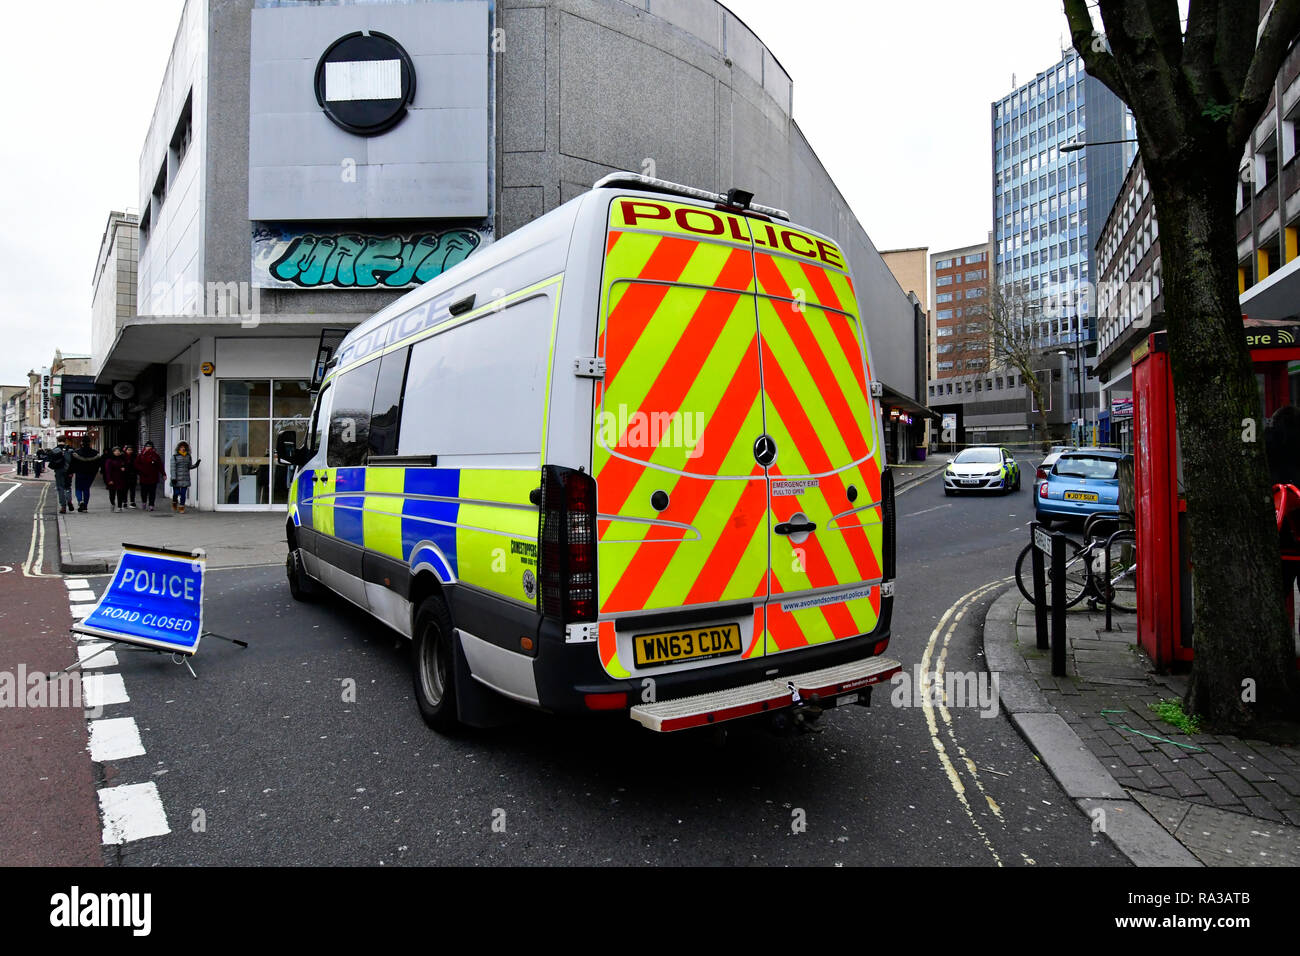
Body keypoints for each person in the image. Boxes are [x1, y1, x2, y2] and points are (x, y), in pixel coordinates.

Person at [69, 438, 103, 513]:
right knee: (86, 489)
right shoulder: (95, 453)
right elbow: (98, 464)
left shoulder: (76, 453)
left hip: (80, 473)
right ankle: (85, 507)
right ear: (89, 443)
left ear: (82, 443)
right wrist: (95, 472)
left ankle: (80, 501)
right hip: (90, 474)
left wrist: (71, 472)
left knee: (78, 488)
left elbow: (72, 464)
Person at [170, 441, 201, 513]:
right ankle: (174, 502)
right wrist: (173, 478)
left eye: (184, 447)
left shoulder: (188, 456)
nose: (183, 448)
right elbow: (173, 468)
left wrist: (196, 465)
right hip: (176, 478)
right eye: (181, 447)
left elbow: (189, 467)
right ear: (178, 448)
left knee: (183, 494)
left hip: (185, 478)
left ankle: (181, 507)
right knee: (176, 493)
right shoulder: (175, 457)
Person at [134, 440, 165, 511]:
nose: (148, 448)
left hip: (153, 476)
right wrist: (141, 470)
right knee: (144, 492)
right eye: (147, 446)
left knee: (152, 492)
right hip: (144, 476)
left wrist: (163, 474)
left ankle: (151, 505)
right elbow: (136, 464)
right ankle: (144, 502)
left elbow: (160, 465)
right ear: (145, 447)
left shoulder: (155, 455)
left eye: (150, 446)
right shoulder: (141, 455)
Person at [44, 441, 73, 514]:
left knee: (60, 488)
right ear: (65, 440)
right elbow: (73, 462)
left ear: (58, 441)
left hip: (59, 471)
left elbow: (49, 460)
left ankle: (63, 506)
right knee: (68, 487)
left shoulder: (54, 450)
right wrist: (72, 471)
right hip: (68, 471)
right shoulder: (70, 450)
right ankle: (69, 500)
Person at [103, 446, 128, 512]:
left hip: (121, 479)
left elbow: (126, 466)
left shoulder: (122, 459)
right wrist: (109, 480)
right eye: (115, 451)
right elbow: (107, 471)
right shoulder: (109, 460)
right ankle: (112, 503)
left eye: (118, 451)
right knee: (112, 494)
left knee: (120, 493)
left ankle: (119, 507)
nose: (117, 452)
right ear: (113, 452)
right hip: (112, 479)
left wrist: (124, 469)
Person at [122, 443, 139, 508]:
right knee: (125, 490)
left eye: (131, 450)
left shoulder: (135, 456)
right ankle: (125, 502)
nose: (129, 451)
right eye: (128, 450)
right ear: (125, 450)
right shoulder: (123, 456)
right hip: (125, 475)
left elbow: (137, 465)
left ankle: (132, 502)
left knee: (133, 489)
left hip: (133, 475)